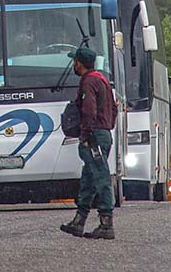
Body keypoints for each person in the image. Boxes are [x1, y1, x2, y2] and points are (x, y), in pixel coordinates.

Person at [60, 45, 117, 240]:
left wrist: (86, 135)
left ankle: (106, 224)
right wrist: (107, 126)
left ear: (79, 63)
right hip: (103, 133)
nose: (73, 65)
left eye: (74, 61)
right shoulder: (102, 80)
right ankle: (79, 221)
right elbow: (114, 109)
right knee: (88, 179)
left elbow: (89, 111)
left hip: (94, 137)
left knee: (100, 178)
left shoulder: (89, 82)